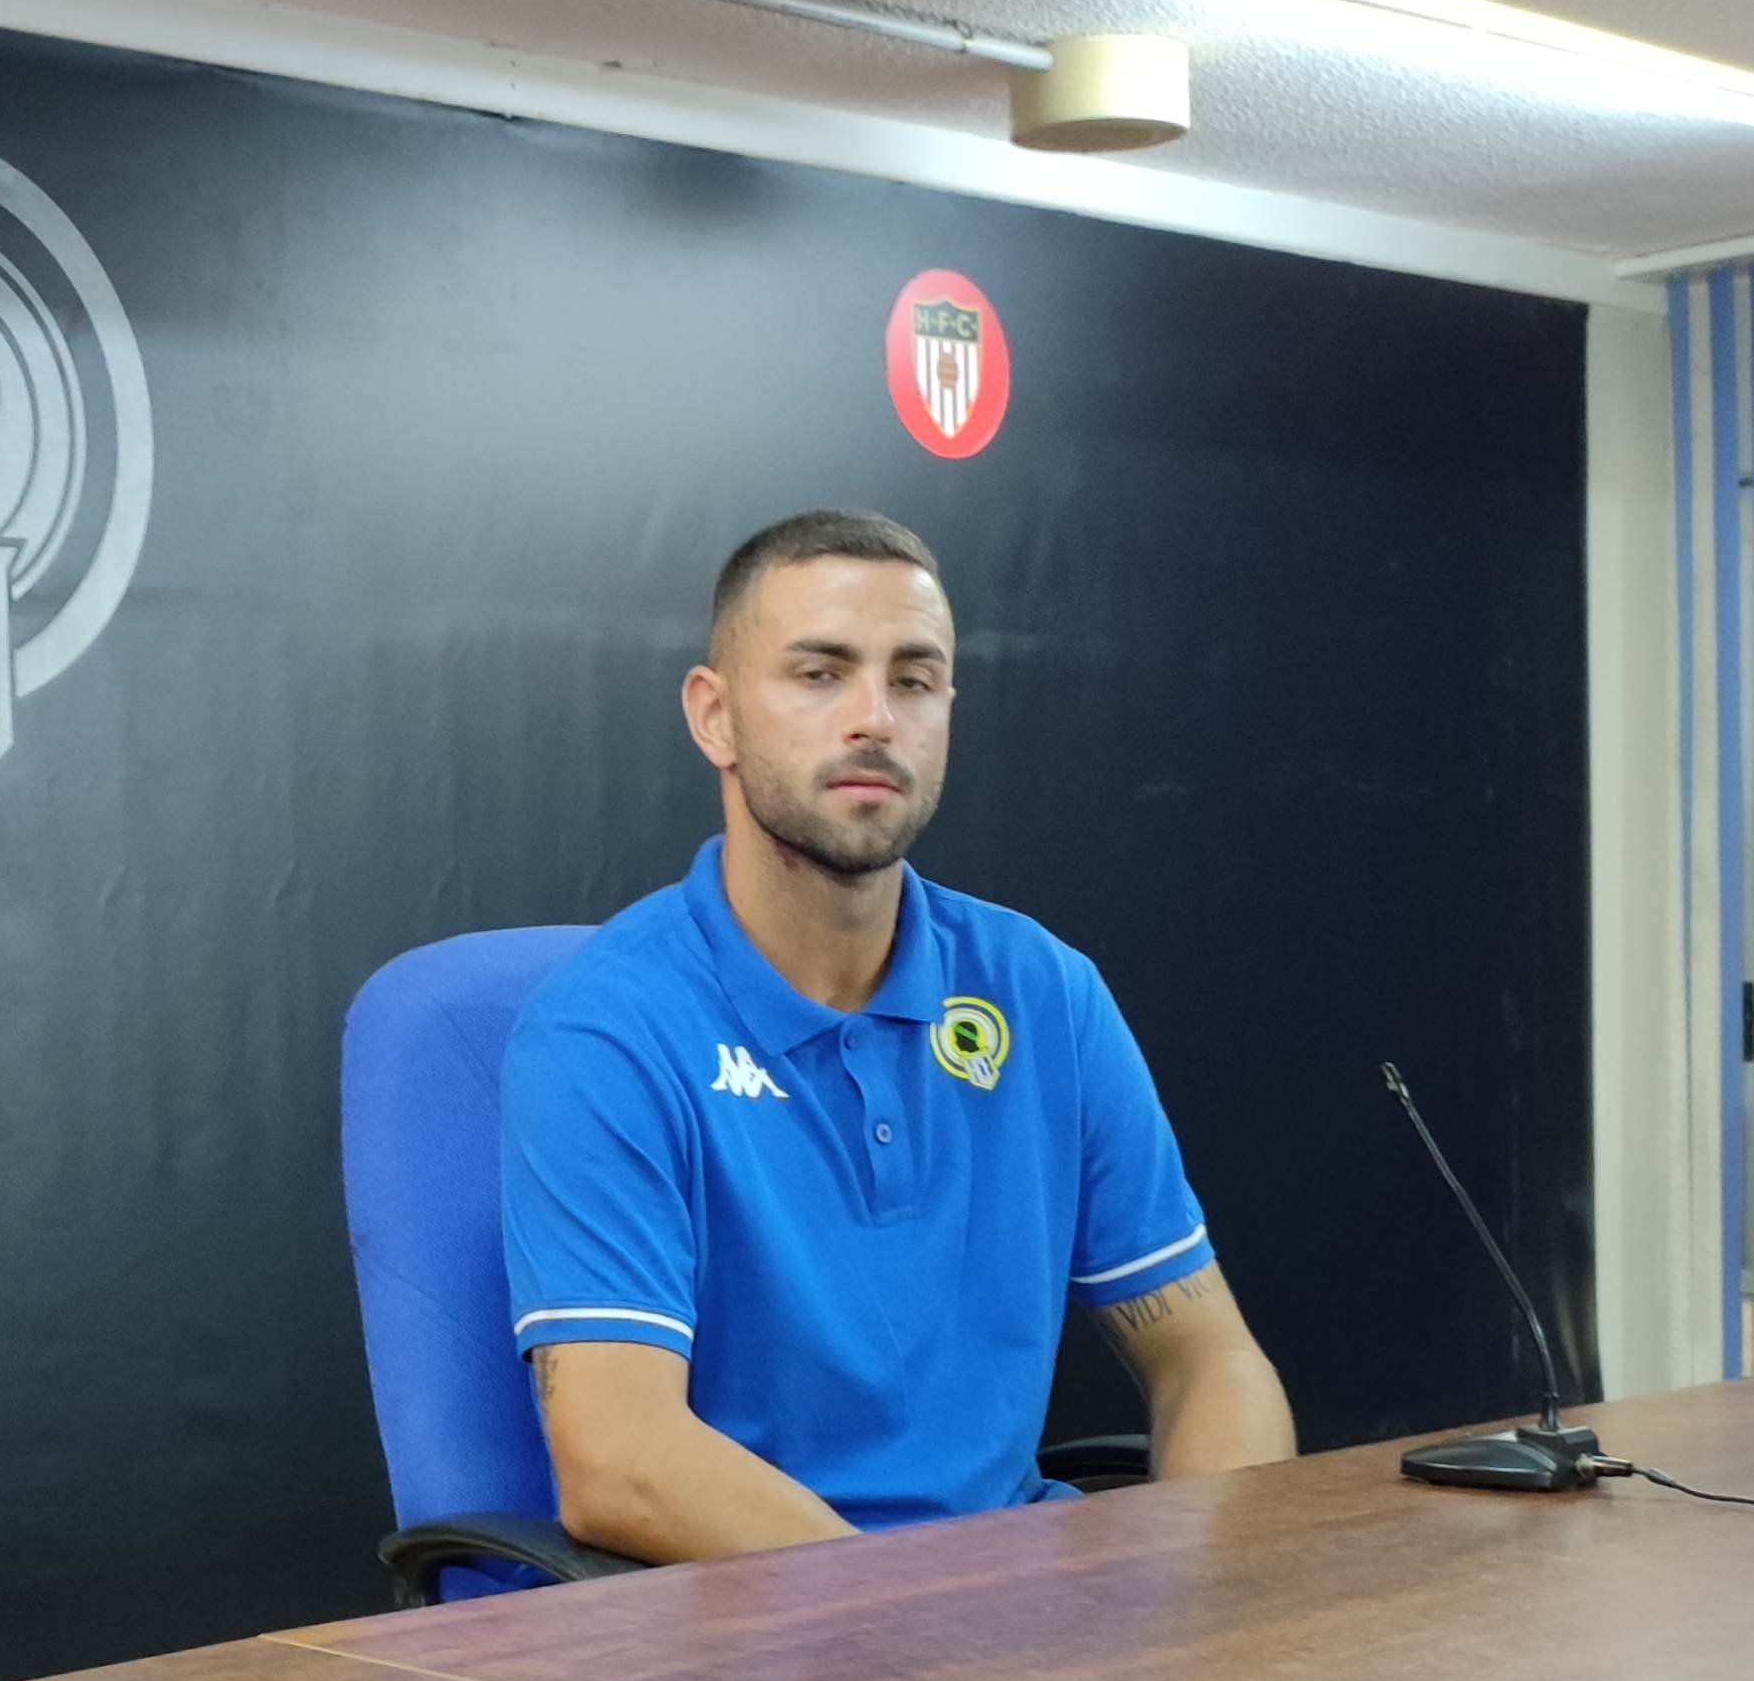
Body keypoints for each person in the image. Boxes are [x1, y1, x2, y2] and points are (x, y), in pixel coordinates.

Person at [502, 509, 1294, 1563]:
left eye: (914, 679)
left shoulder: (1043, 993)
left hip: (1024, 1633)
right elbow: (618, 1459)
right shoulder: (604, 1032)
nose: (875, 718)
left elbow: (1207, 1358)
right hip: (752, 1651)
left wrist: (1216, 1587)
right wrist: (910, 1634)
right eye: (820, 674)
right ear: (715, 715)